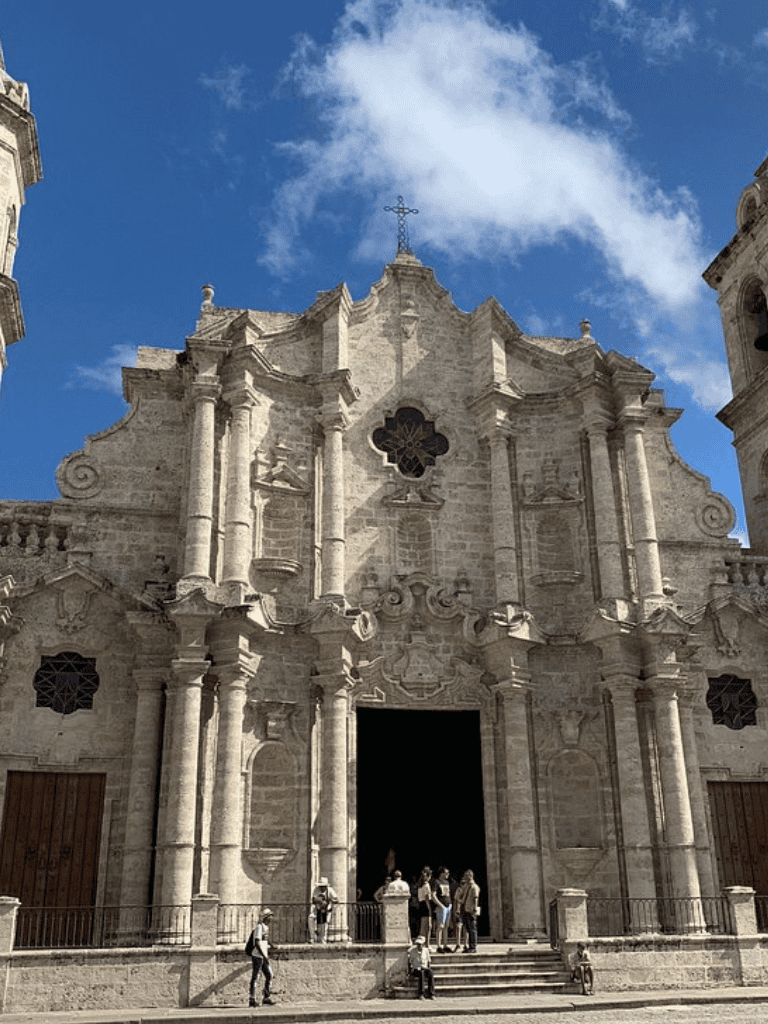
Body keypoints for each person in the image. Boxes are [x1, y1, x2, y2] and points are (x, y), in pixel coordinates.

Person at [245, 908, 276, 1008]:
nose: (272, 917)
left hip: (263, 956)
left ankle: (266, 997)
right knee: (256, 977)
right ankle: (252, 999)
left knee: (269, 975)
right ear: (266, 917)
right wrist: (263, 955)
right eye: (270, 915)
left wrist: (272, 945)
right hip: (258, 956)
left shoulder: (266, 927)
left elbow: (265, 939)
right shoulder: (259, 927)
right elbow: (257, 942)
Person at [311, 876, 339, 943]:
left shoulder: (330, 890)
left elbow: (336, 899)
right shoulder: (316, 889)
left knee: (324, 924)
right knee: (311, 918)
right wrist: (321, 901)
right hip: (317, 909)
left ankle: (323, 939)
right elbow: (313, 899)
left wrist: (330, 900)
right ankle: (313, 937)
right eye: (321, 886)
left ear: (326, 886)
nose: (322, 888)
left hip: (327, 910)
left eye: (323, 886)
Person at [408, 935, 435, 1000]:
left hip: (424, 967)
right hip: (416, 969)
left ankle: (431, 993)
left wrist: (428, 968)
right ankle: (421, 993)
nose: (419, 946)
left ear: (423, 944)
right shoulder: (412, 951)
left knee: (430, 972)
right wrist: (410, 970)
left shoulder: (426, 951)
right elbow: (409, 962)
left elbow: (428, 961)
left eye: (420, 944)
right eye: (418, 944)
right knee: (421, 973)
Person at [461, 869, 480, 952]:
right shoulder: (467, 886)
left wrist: (475, 908)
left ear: (470, 876)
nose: (464, 877)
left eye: (466, 875)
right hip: (466, 909)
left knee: (472, 928)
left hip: (471, 909)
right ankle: (470, 946)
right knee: (468, 928)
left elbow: (475, 898)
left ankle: (473, 947)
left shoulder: (474, 887)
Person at [416, 866, 436, 948]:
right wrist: (430, 910)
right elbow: (427, 898)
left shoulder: (420, 885)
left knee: (422, 927)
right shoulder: (427, 885)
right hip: (426, 906)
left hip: (421, 905)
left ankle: (422, 944)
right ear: (428, 876)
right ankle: (427, 944)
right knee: (428, 927)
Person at [433, 866, 452, 952]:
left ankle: (445, 945)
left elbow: (448, 894)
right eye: (446, 873)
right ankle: (438, 946)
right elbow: (433, 895)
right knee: (440, 926)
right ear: (441, 873)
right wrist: (440, 905)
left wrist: (450, 904)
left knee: (446, 926)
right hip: (442, 906)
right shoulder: (436, 882)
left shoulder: (447, 882)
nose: (448, 874)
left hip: (448, 906)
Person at [452, 872, 468, 952]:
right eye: (461, 883)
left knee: (466, 927)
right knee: (458, 927)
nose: (463, 885)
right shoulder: (458, 890)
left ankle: (465, 944)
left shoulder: (469, 889)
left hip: (466, 909)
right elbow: (455, 900)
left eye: (464, 883)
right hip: (460, 910)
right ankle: (458, 944)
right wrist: (455, 910)